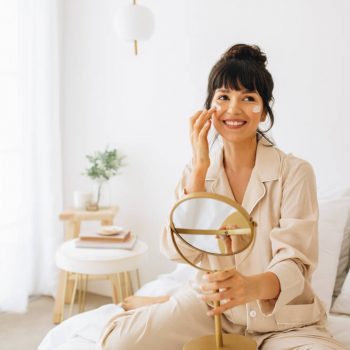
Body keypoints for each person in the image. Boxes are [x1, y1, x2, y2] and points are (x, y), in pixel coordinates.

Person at [98, 44, 346, 349]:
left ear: (264, 111)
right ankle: (168, 300)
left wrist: (250, 287)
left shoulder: (295, 172)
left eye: (248, 98)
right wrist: (200, 169)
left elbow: (295, 262)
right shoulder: (197, 171)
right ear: (209, 108)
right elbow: (178, 250)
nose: (233, 109)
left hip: (282, 322)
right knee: (119, 342)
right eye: (223, 97)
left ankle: (166, 301)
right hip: (211, 309)